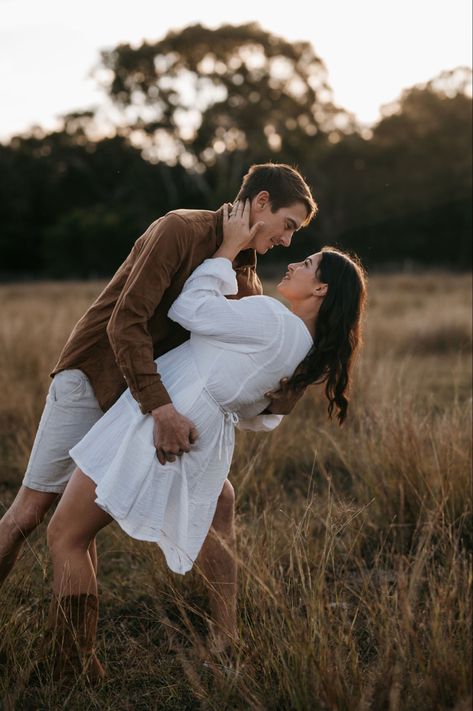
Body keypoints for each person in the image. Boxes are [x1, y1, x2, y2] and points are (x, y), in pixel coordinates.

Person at [42, 200, 367, 682]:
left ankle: (73, 665)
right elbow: (256, 410)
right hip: (200, 430)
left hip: (163, 421)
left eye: (309, 262)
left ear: (320, 289)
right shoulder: (300, 349)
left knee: (64, 535)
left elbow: (188, 308)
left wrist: (228, 248)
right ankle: (224, 637)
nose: (294, 259)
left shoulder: (274, 320)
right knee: (218, 504)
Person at [0, 163, 317, 653]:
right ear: (259, 204)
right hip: (95, 378)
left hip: (144, 404)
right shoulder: (180, 229)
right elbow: (125, 324)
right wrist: (162, 410)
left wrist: (294, 381)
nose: (288, 241)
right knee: (29, 513)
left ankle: (218, 640)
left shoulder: (247, 277)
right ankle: (71, 658)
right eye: (289, 225)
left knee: (219, 501)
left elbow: (234, 364)